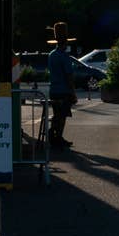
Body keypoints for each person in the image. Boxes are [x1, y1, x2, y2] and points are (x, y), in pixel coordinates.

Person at [47, 21, 79, 150]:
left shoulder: (51, 55)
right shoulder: (65, 57)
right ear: (64, 43)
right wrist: (73, 92)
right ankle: (57, 136)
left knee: (56, 114)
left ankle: (54, 135)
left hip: (53, 89)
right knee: (63, 115)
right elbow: (69, 76)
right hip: (63, 90)